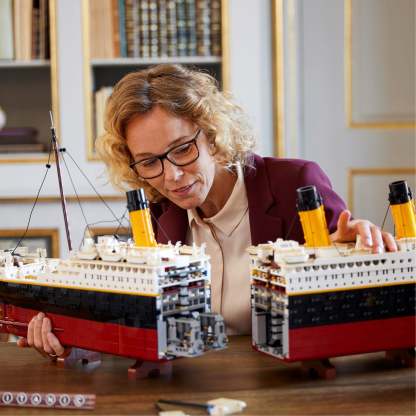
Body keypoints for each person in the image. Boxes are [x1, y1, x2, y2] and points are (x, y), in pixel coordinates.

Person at [18, 63, 397, 357]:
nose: (171, 176)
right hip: (194, 385)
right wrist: (75, 345)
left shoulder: (294, 183)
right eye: (149, 162)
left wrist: (354, 253)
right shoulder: (156, 215)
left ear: (213, 135)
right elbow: (142, 328)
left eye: (183, 149)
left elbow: (352, 299)